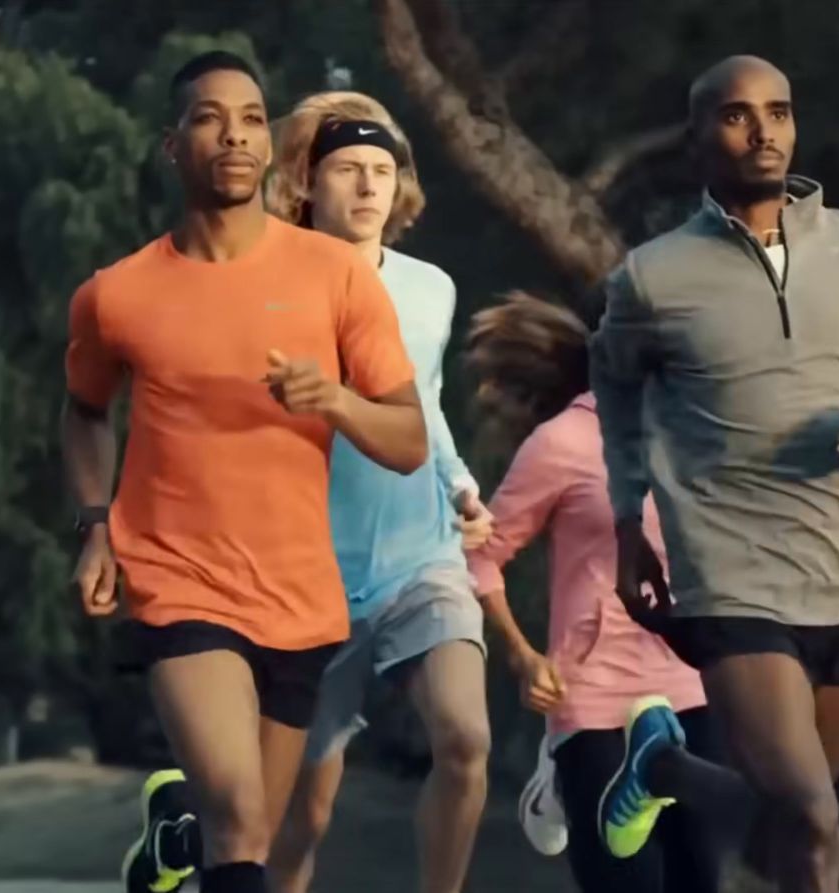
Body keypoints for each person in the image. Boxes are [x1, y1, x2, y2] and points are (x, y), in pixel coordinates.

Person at [63, 52, 427, 893]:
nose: (234, 134)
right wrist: (94, 527)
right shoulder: (116, 294)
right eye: (208, 117)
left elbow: (407, 440)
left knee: (250, 831)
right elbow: (84, 409)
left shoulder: (335, 275)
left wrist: (333, 399)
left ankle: (172, 841)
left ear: (270, 145)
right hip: (177, 576)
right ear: (172, 144)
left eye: (253, 118)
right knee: (237, 813)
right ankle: (199, 828)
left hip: (301, 594)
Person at [590, 55, 839, 893]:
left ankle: (667, 770)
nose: (763, 132)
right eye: (737, 115)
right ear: (698, 138)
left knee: (798, 828)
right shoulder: (652, 275)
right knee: (810, 813)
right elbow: (614, 387)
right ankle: (683, 773)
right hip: (730, 574)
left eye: (779, 112)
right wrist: (625, 520)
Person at [247, 92, 493, 893]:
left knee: (465, 739)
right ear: (306, 185)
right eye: (348, 170)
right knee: (300, 820)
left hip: (420, 558)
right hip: (305, 581)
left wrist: (458, 482)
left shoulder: (434, 287)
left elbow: (421, 400)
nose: (367, 188)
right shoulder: (265, 283)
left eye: (382, 171)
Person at [462, 293, 723, 893]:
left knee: (700, 878)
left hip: (691, 688)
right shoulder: (561, 443)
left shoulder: (700, 434)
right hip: (596, 696)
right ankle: (560, 766)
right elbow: (483, 554)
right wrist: (522, 656)